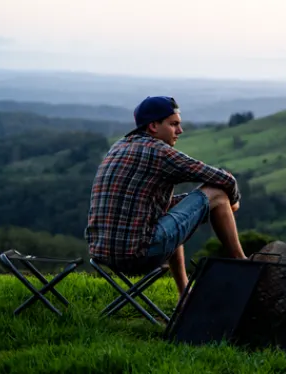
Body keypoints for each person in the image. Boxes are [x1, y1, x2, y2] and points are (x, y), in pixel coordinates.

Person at [85, 95, 246, 296]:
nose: (180, 130)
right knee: (219, 194)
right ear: (153, 126)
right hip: (139, 256)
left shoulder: (118, 146)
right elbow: (225, 180)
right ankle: (244, 265)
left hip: (102, 255)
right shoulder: (159, 151)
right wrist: (233, 203)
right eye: (174, 124)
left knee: (170, 211)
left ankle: (184, 294)